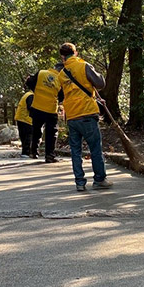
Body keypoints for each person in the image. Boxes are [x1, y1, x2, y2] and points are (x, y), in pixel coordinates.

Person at [57, 42, 111, 192]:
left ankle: (80, 182)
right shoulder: (84, 66)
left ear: (62, 56)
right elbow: (100, 83)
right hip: (87, 112)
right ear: (76, 53)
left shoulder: (62, 74)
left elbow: (61, 95)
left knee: (76, 150)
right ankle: (99, 179)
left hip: (72, 116)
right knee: (95, 148)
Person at [26, 64, 64, 163]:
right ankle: (49, 155)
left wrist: (37, 91)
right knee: (51, 133)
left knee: (36, 130)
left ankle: (33, 152)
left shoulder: (41, 73)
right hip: (50, 110)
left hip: (37, 107)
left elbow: (29, 82)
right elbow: (62, 97)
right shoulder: (61, 80)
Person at [14, 77, 34, 159]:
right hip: (26, 119)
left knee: (24, 136)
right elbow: (30, 107)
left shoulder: (27, 94)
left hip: (20, 118)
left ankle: (25, 152)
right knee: (29, 136)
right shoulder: (31, 96)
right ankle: (26, 152)